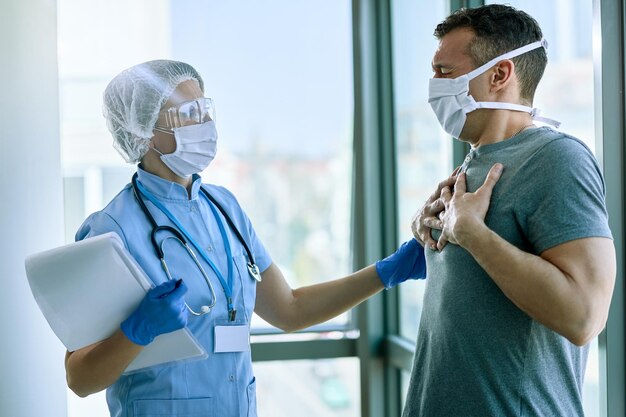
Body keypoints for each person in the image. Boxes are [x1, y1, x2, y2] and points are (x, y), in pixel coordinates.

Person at [64, 60, 426, 417]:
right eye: (189, 113)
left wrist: (386, 272)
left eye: (206, 109)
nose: (205, 124)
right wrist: (137, 331)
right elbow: (79, 377)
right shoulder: (110, 230)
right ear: (143, 131)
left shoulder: (224, 207)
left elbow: (290, 310)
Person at [405, 5, 616, 417]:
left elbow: (584, 316)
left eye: (445, 72)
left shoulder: (558, 159)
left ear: (500, 75)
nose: (433, 86)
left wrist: (474, 236)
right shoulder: (473, 160)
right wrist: (426, 232)